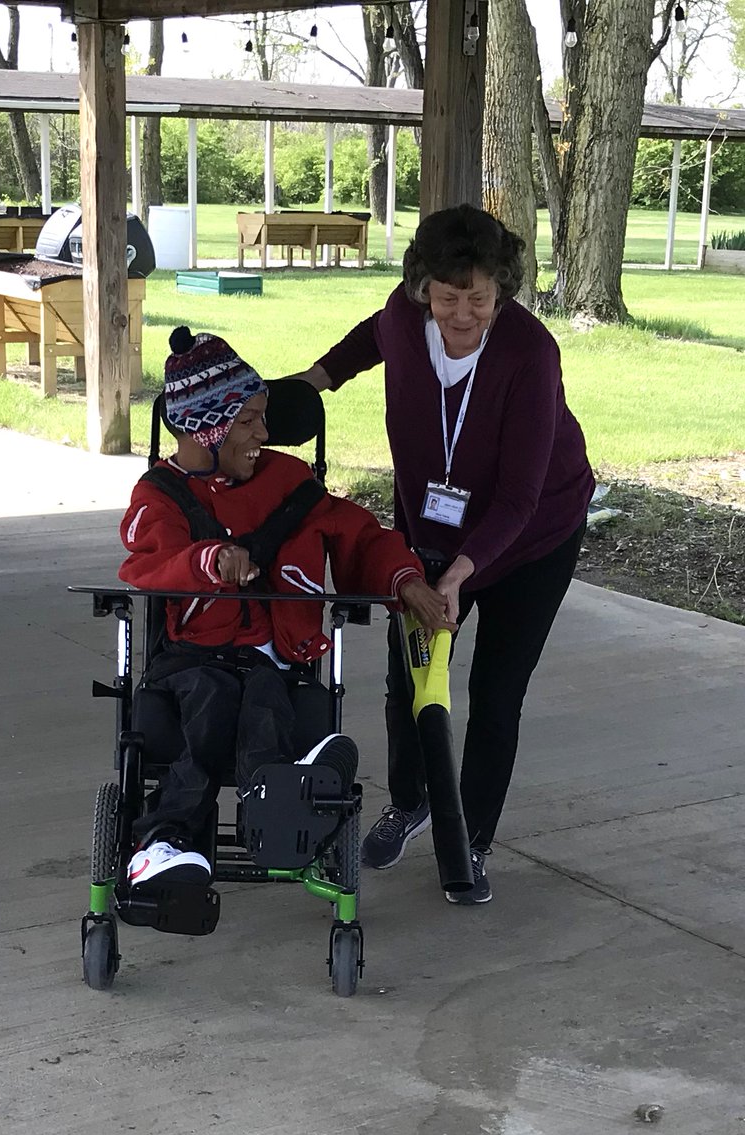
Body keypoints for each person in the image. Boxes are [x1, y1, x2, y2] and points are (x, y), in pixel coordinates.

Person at [292, 204, 595, 905]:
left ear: (503, 290)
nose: (461, 314)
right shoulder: (405, 316)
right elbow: (371, 338)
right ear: (423, 286)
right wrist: (315, 381)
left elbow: (519, 498)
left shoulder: (527, 354)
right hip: (430, 528)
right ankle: (411, 801)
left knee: (495, 692)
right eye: (448, 297)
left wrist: (458, 577)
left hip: (533, 536)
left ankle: (474, 841)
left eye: (479, 299)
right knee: (411, 680)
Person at [119, 326, 450, 889]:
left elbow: (358, 536)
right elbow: (149, 562)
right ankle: (164, 844)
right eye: (248, 421)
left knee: (267, 703)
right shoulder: (159, 495)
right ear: (206, 426)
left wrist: (406, 580)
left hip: (274, 659)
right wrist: (211, 558)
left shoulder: (291, 482)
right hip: (194, 660)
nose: (264, 434)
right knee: (214, 707)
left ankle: (276, 817)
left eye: (263, 418)